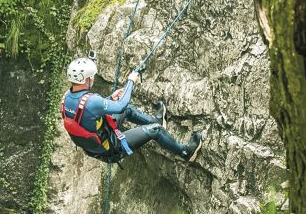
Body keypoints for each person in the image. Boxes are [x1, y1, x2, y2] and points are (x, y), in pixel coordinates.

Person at [61, 57, 204, 163]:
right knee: (155, 130)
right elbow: (120, 105)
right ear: (87, 79)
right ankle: (186, 152)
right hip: (111, 148)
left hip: (99, 142)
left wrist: (111, 97)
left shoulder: (67, 97)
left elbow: (90, 112)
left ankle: (155, 120)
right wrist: (131, 81)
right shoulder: (92, 102)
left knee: (128, 111)